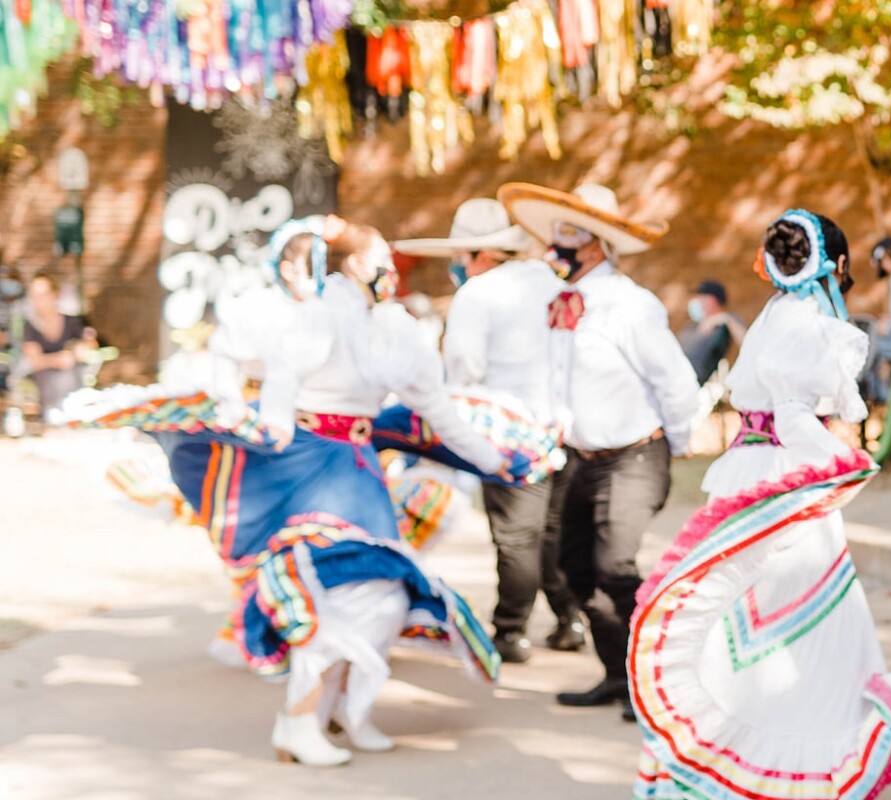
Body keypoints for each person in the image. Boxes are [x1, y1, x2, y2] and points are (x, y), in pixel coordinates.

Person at [58, 216, 558, 767]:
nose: (394, 275)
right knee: (345, 594)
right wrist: (268, 427)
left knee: (386, 597)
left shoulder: (395, 331)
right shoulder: (318, 318)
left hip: (358, 469)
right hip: (307, 465)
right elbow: (281, 382)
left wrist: (502, 464)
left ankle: (345, 711)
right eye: (385, 266)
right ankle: (300, 721)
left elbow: (438, 413)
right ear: (359, 267)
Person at [629, 209, 891, 799]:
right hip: (785, 480)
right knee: (809, 619)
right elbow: (795, 417)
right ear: (836, 266)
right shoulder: (814, 325)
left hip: (746, 471)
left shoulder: (774, 314)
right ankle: (791, 760)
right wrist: (842, 465)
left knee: (740, 619)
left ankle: (727, 750)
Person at [498, 182, 702, 719]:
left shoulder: (631, 305)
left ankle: (653, 682)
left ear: (595, 244)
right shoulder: (560, 303)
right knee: (572, 569)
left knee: (616, 566)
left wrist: (680, 442)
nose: (554, 247)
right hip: (580, 459)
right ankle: (618, 675)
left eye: (567, 235)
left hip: (634, 455)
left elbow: (674, 379)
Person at [395, 197, 585, 664]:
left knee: (517, 536)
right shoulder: (553, 283)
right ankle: (570, 616)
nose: (457, 265)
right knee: (552, 532)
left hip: (510, 431)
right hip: (565, 425)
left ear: (478, 254)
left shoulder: (476, 295)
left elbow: (464, 367)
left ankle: (511, 630)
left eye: (461, 255)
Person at [21, 274, 96, 414]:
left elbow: (89, 343)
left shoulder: (71, 322)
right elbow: (34, 361)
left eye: (42, 295)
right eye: (33, 296)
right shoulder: (30, 326)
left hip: (73, 385)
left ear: (55, 295)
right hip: (46, 388)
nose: (38, 301)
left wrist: (82, 348)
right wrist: (58, 360)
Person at [677, 279, 746, 384]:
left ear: (711, 300)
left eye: (700, 297)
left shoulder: (726, 321)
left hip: (690, 381)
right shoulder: (692, 325)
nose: (695, 301)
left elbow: (746, 343)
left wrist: (726, 319)